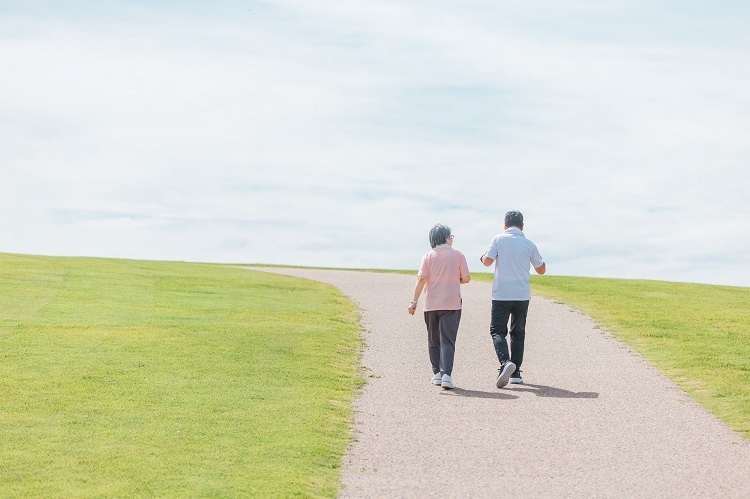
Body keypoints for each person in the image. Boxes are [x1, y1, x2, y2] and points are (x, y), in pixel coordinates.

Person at [480, 210, 545, 388]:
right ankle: (515, 373)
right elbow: (541, 270)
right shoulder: (529, 244)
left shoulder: (498, 239)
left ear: (505, 225)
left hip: (501, 294)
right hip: (522, 295)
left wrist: (483, 256)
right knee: (518, 332)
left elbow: (487, 262)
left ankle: (504, 362)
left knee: (498, 331)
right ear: (522, 226)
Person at [408, 224, 470, 389]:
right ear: (446, 237)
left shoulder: (428, 256)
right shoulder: (458, 255)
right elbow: (466, 279)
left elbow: (421, 279)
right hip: (452, 304)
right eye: (451, 236)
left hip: (431, 304)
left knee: (433, 340)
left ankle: (436, 374)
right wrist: (453, 277)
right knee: (448, 341)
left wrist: (413, 302)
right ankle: (446, 376)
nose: (452, 239)